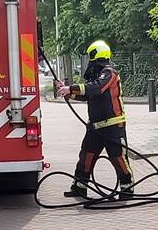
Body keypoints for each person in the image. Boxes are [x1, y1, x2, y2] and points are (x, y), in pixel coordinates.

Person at [57, 40, 134, 200]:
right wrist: (69, 93)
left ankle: (127, 189)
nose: (89, 61)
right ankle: (79, 187)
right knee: (86, 155)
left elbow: (97, 88)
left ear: (96, 55)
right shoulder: (97, 76)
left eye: (90, 56)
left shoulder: (110, 73)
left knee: (118, 157)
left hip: (113, 125)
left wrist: (70, 88)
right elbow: (88, 93)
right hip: (95, 127)